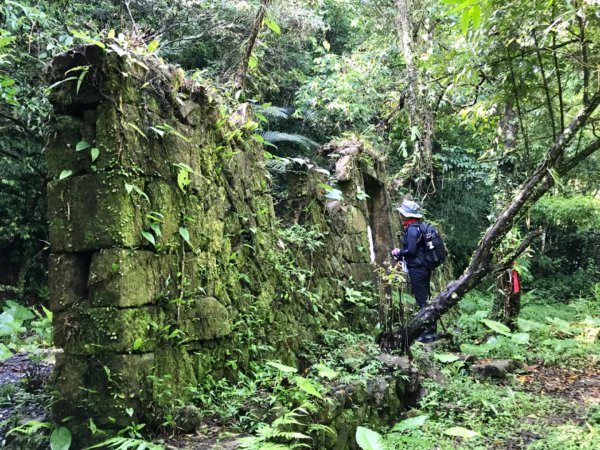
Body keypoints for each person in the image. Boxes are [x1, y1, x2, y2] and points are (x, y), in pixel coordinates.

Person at [391, 199, 436, 342]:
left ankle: (428, 334)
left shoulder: (411, 230)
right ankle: (431, 330)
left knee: (422, 300)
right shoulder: (418, 227)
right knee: (426, 298)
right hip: (424, 267)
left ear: (406, 215)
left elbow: (411, 250)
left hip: (417, 269)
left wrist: (399, 252)